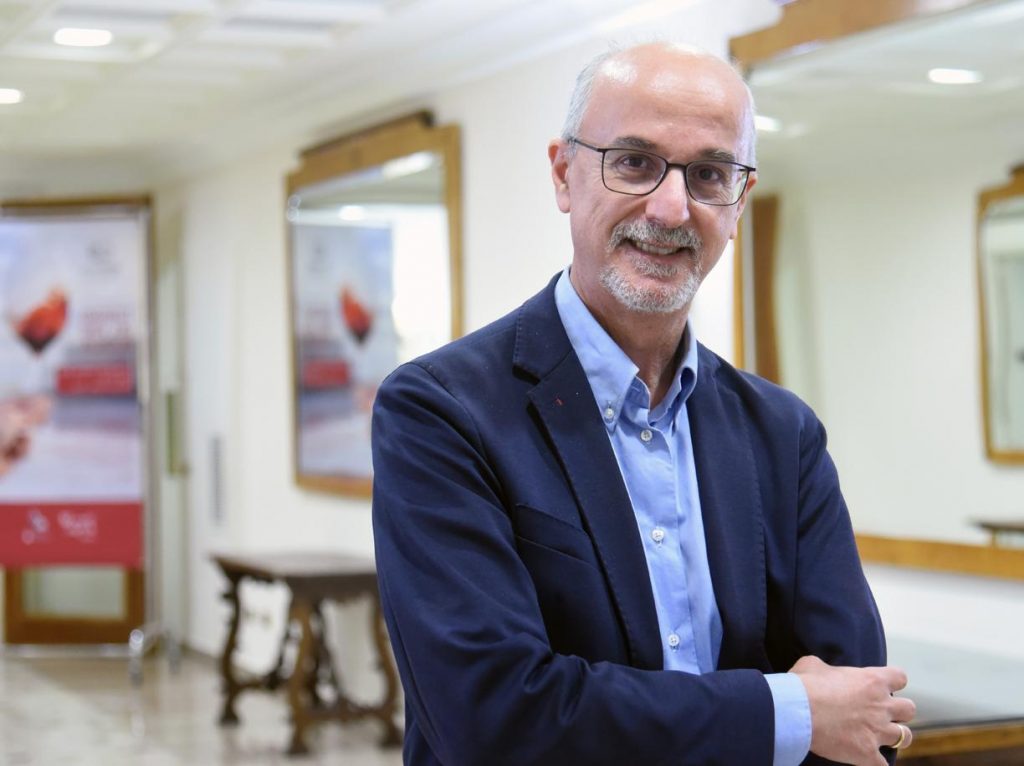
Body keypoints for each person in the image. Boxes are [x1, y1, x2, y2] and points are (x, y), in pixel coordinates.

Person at [371, 41, 915, 766]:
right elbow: (492, 717)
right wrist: (785, 711)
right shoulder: (441, 412)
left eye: (709, 174)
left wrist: (811, 717)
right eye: (633, 162)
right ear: (564, 175)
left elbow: (859, 715)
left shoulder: (783, 434)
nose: (671, 207)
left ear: (739, 201)